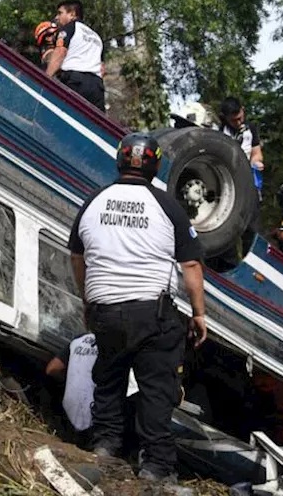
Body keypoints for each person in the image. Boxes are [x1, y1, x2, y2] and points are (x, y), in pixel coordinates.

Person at [69, 132, 207, 483]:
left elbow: (77, 255)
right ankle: (156, 467)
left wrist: (89, 299)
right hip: (152, 313)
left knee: (110, 379)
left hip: (105, 311)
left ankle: (105, 447)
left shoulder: (94, 202)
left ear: (119, 161)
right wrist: (199, 313)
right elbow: (191, 265)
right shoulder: (167, 205)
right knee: (157, 388)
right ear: (156, 165)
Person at [45, 0, 104, 109]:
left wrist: (45, 79)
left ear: (72, 14)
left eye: (60, 13)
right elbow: (102, 68)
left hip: (75, 82)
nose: (57, 17)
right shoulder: (96, 37)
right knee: (93, 123)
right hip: (97, 87)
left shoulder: (69, 28)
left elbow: (60, 53)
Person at [212, 97, 263, 173]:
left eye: (240, 118)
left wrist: (256, 162)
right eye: (233, 120)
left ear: (242, 109)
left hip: (245, 173)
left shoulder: (250, 128)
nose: (238, 123)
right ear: (225, 117)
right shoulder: (218, 130)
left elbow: (257, 153)